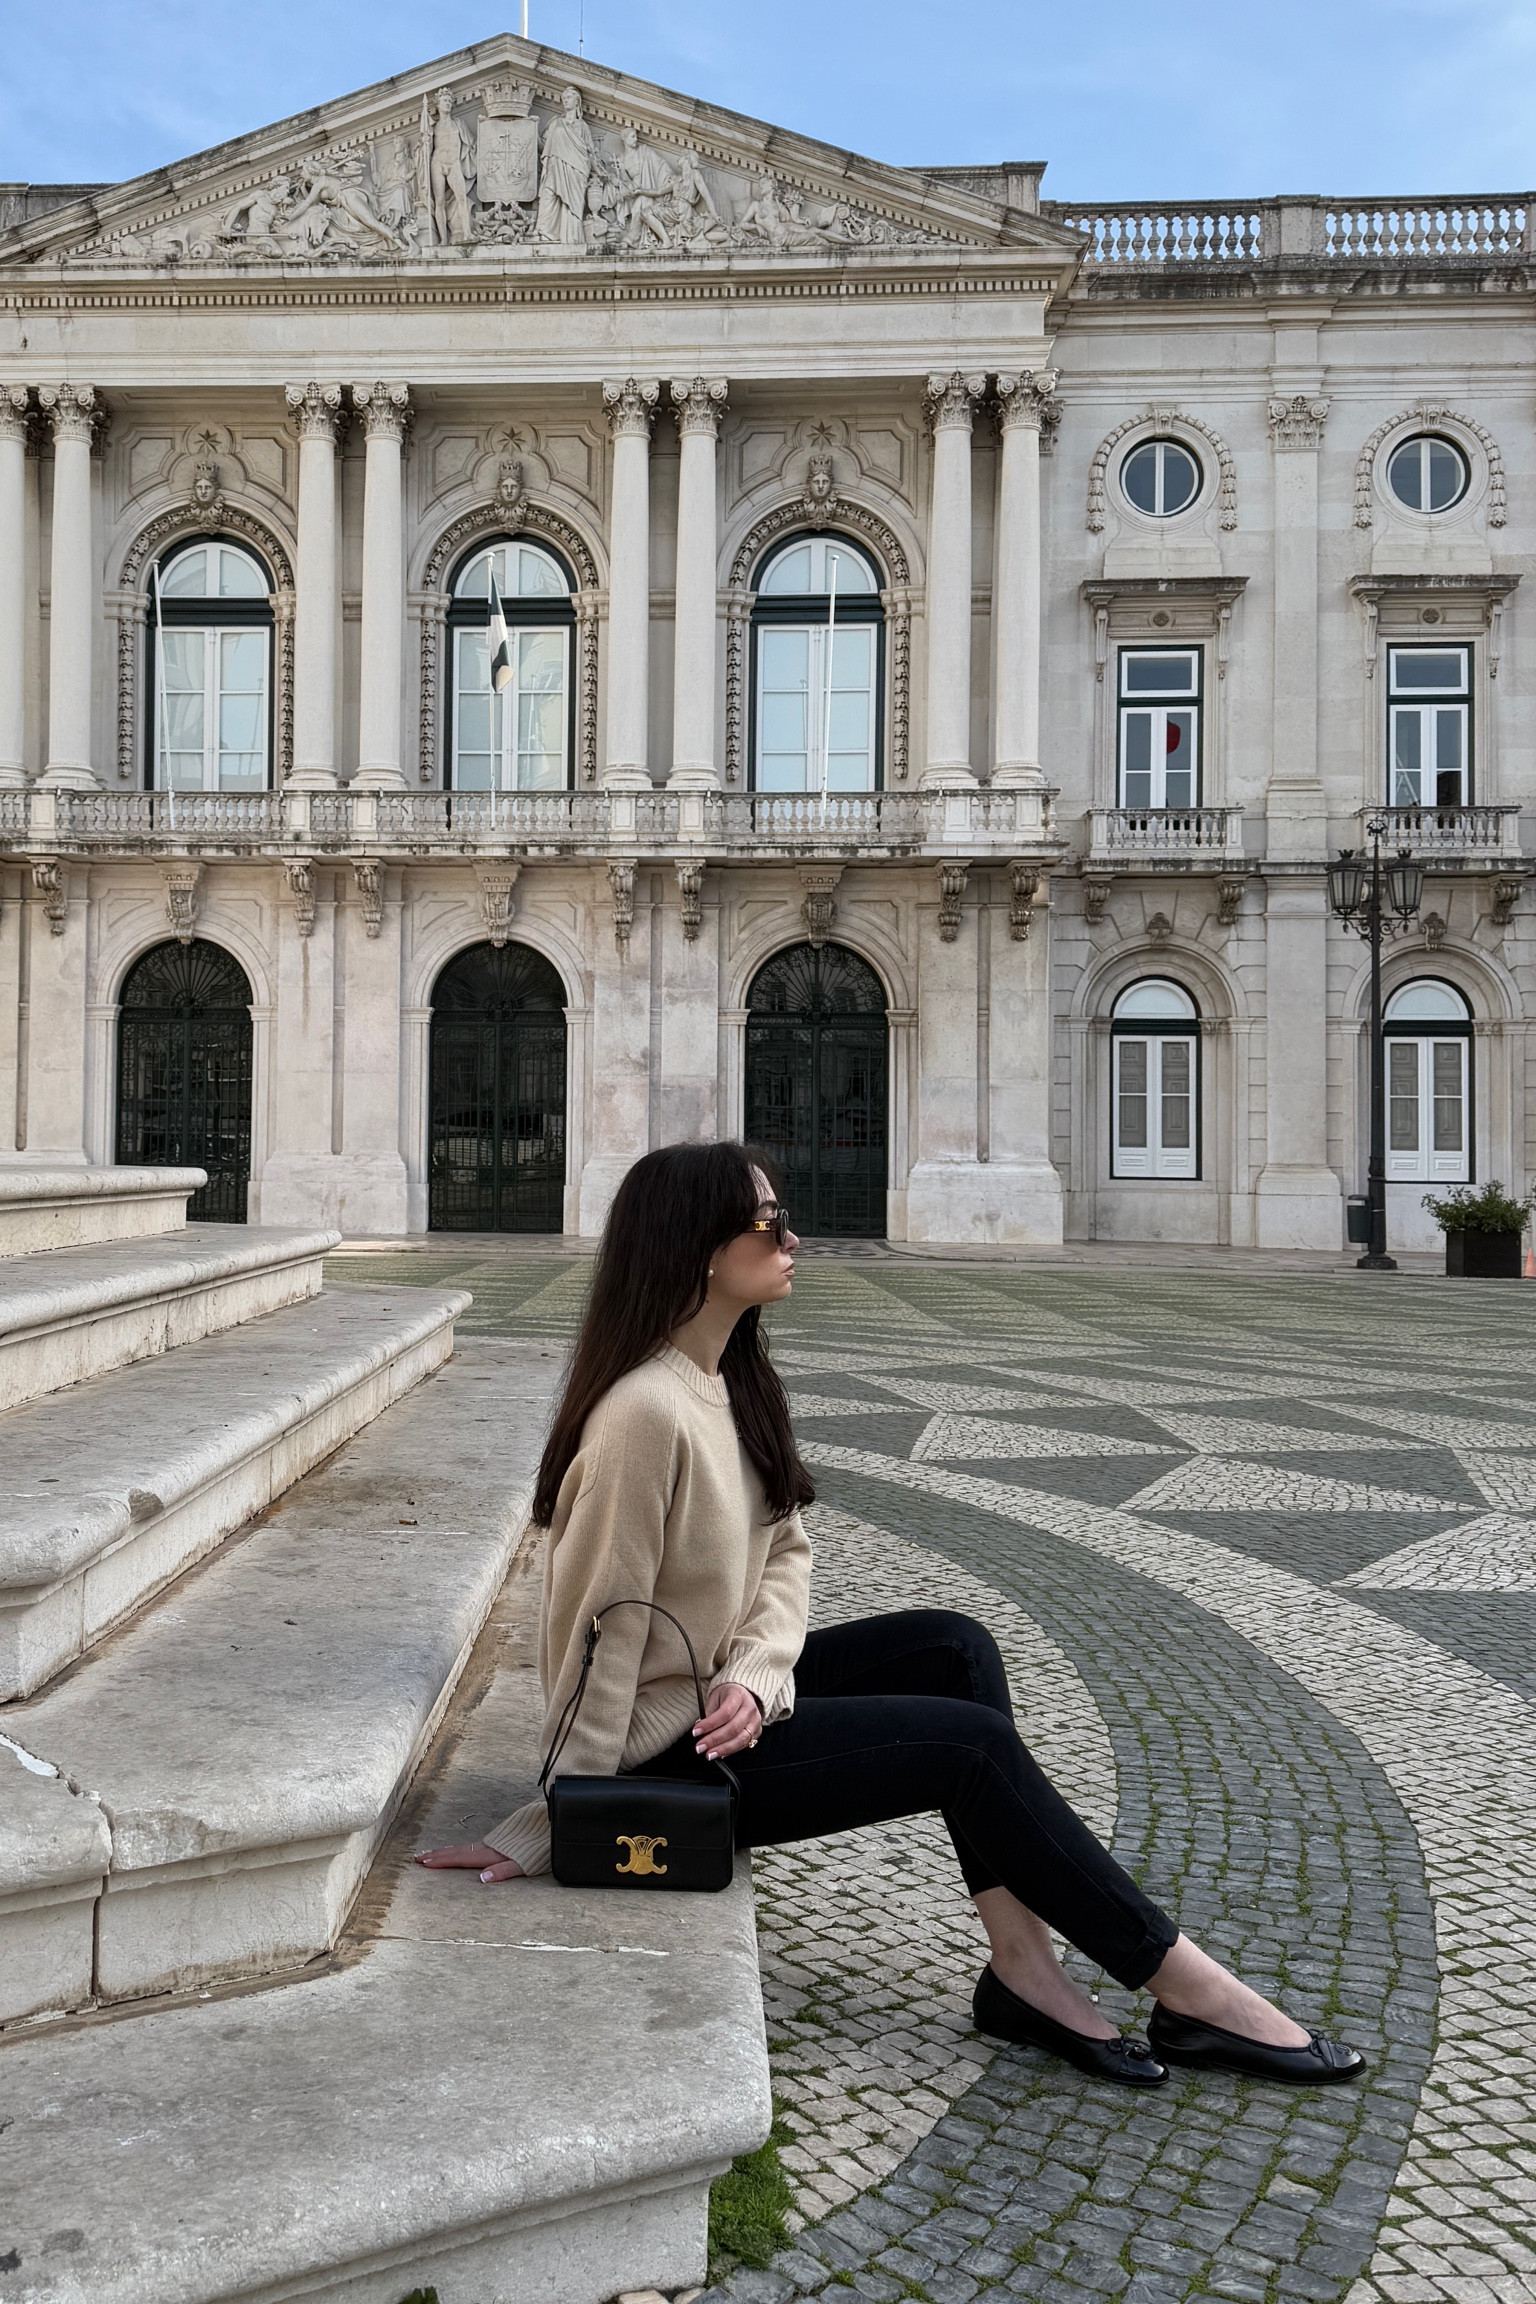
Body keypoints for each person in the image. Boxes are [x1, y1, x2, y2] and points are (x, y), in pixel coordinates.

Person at [419, 1143, 1364, 2090]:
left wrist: (756, 1672)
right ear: (699, 1248)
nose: (794, 1239)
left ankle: (1022, 1970)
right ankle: (1193, 1991)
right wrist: (562, 1816)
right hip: (669, 1753)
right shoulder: (642, 1416)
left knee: (954, 1648)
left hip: (722, 1705)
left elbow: (785, 1550)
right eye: (768, 1224)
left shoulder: (733, 1378)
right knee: (968, 1748)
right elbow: (593, 1634)